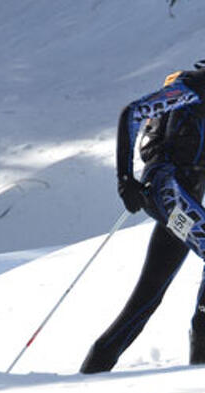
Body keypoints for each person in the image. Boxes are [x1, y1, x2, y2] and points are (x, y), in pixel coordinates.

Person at [81, 61, 205, 374]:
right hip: (167, 190)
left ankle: (89, 376)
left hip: (187, 196)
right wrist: (125, 179)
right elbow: (131, 113)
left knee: (146, 301)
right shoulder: (194, 88)